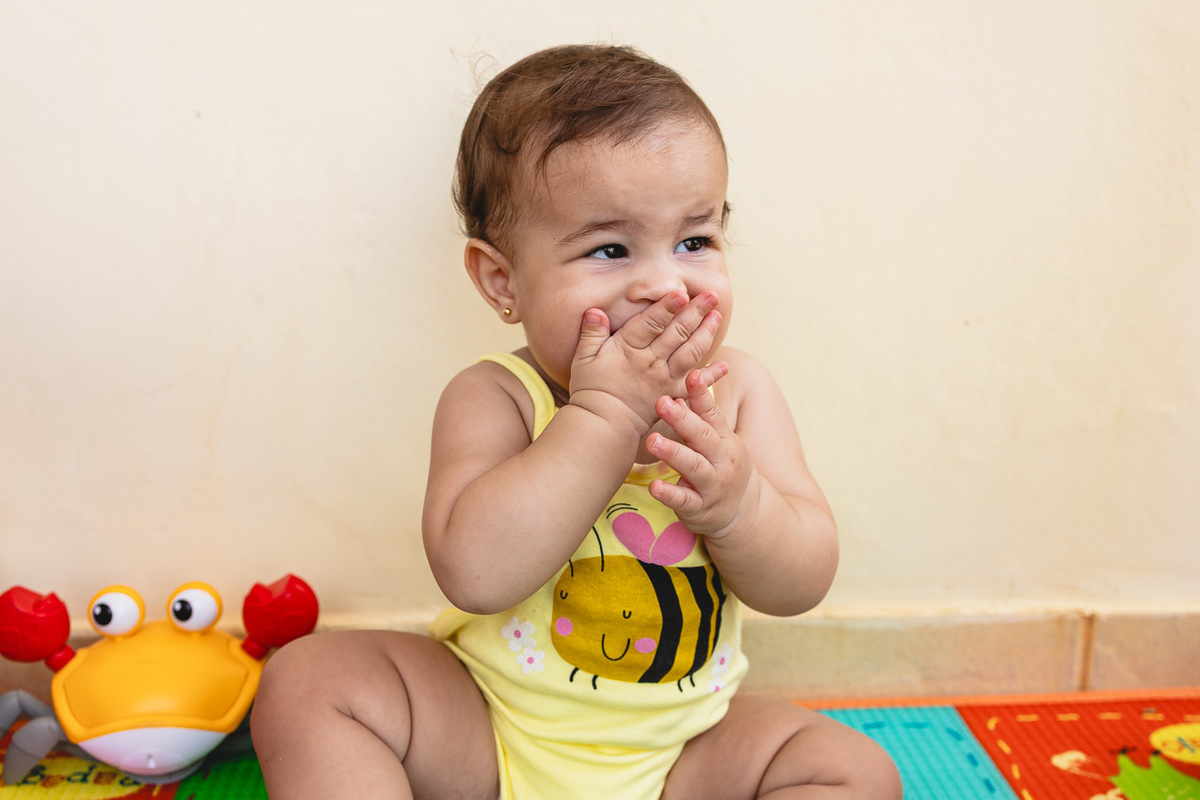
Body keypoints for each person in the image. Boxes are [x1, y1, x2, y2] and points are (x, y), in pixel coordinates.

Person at [251, 44, 902, 799]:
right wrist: (601, 415)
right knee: (307, 680)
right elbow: (475, 574)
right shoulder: (497, 395)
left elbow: (802, 581)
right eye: (610, 248)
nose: (664, 282)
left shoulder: (738, 394)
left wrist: (740, 503)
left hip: (682, 756)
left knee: (854, 772)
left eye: (696, 239)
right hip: (487, 733)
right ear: (504, 281)